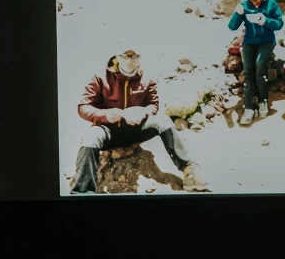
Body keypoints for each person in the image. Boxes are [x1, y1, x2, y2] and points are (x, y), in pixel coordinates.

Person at [71, 49, 206, 193]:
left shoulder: (147, 79)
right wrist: (105, 115)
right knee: (90, 138)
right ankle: (82, 192)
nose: (130, 59)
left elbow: (153, 105)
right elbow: (83, 107)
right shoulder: (100, 77)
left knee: (163, 121)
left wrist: (143, 112)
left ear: (140, 58)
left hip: (136, 130)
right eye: (125, 55)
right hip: (107, 131)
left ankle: (189, 172)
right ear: (117, 57)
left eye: (135, 55)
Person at [227, 0, 285, 125]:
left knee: (260, 66)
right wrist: (237, 13)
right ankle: (249, 107)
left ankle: (262, 100)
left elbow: (279, 23)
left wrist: (265, 21)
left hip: (266, 41)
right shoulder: (244, 4)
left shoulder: (270, 3)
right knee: (248, 71)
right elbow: (232, 26)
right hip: (249, 42)